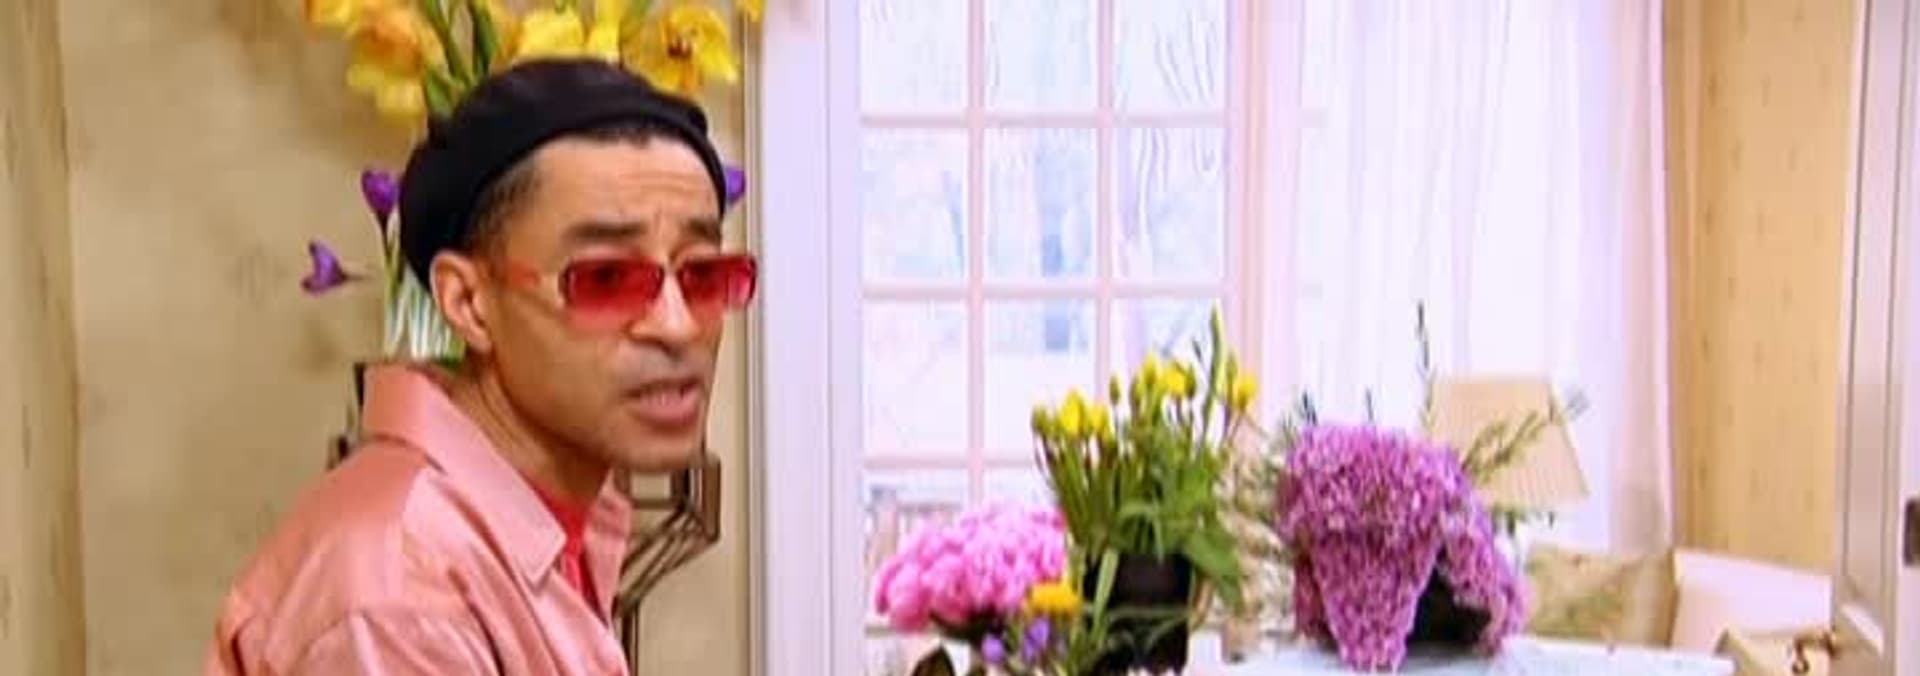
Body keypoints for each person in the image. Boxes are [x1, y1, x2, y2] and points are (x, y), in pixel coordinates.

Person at [205, 58, 757, 675]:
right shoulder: (406, 596)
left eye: (704, 275)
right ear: (468, 302)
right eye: (606, 278)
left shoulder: (551, 512)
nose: (678, 327)